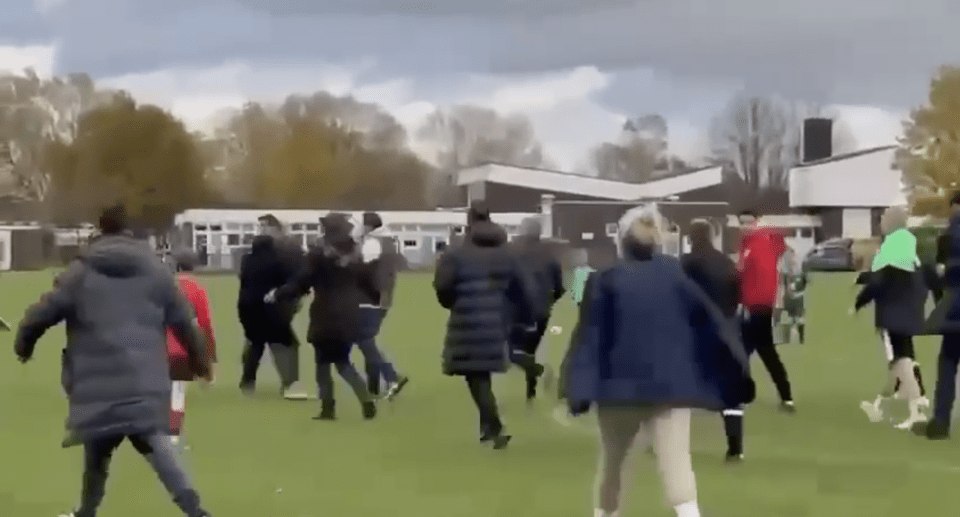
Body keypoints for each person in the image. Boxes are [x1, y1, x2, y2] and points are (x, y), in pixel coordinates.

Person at [14, 204, 213, 517]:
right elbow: (185, 323)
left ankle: (87, 511)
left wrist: (24, 343)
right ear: (130, 231)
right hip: (145, 379)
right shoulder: (156, 272)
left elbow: (44, 312)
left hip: (97, 383)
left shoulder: (80, 272)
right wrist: (201, 364)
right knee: (158, 451)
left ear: (99, 229)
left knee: (98, 452)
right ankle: (194, 510)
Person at [563, 205, 754, 517]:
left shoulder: (606, 280)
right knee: (677, 464)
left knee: (612, 466)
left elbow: (590, 339)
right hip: (671, 386)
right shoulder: (677, 279)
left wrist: (578, 389)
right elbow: (712, 326)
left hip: (618, 390)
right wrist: (735, 371)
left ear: (622, 241)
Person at [433, 202, 540, 449]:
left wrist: (452, 303)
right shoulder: (508, 253)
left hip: (466, 318)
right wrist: (520, 316)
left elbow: (442, 286)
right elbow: (525, 287)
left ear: (469, 221)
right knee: (480, 374)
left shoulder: (457, 253)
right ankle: (487, 428)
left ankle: (495, 428)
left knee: (475, 375)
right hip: (499, 319)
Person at [270, 213, 377, 421]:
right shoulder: (354, 254)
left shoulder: (318, 255)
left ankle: (329, 408)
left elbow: (302, 282)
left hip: (325, 314)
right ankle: (364, 399)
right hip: (349, 314)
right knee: (343, 362)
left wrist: (277, 293)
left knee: (323, 365)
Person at [853, 206, 936, 429]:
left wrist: (858, 303)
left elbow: (879, 281)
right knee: (902, 357)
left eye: (884, 218)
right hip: (910, 311)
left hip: (892, 312)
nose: (881, 222)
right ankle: (881, 403)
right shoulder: (908, 243)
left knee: (901, 360)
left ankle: (915, 409)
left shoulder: (890, 247)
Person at [681, 218, 750, 462]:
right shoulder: (727, 262)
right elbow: (739, 294)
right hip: (728, 332)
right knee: (730, 394)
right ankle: (735, 449)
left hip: (697, 333)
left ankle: (668, 444)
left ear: (691, 238)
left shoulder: (687, 264)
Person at [240, 214, 307, 400]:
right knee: (282, 342)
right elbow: (297, 275)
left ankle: (248, 381)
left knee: (257, 342)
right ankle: (290, 383)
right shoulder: (279, 253)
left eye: (264, 227)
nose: (260, 230)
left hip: (256, 304)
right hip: (275, 303)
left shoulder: (253, 255)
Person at [737, 209, 795, 412]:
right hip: (759, 307)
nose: (745, 227)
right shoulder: (756, 243)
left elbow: (751, 277)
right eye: (742, 223)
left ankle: (743, 394)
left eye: (748, 222)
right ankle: (785, 396)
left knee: (745, 352)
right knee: (764, 352)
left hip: (756, 307)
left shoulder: (757, 243)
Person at [916, 192, 960, 439]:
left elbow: (932, 270)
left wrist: (938, 298)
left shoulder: (949, 236)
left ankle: (940, 423)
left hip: (955, 309)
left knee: (948, 364)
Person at [508, 216, 565, 402]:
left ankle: (539, 372)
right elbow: (559, 287)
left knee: (512, 353)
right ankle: (530, 395)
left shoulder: (514, 251)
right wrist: (549, 303)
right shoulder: (548, 253)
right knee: (528, 352)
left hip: (518, 312)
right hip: (541, 313)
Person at [167, 250, 217, 449]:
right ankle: (173, 434)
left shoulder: (166, 287)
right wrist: (209, 353)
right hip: (182, 348)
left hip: (159, 346)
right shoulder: (197, 289)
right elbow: (205, 323)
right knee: (178, 391)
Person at [357, 211, 409, 399]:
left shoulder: (373, 243)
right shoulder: (388, 241)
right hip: (383, 297)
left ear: (369, 226)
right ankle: (373, 387)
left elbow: (362, 267)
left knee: (365, 341)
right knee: (368, 341)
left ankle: (392, 377)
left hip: (371, 298)